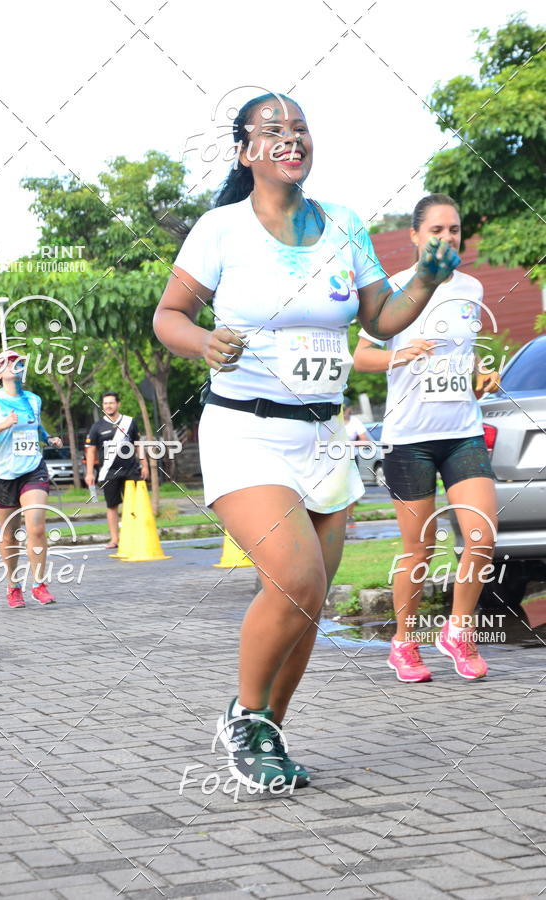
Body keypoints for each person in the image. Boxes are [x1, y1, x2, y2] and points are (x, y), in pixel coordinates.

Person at [153, 93, 460, 791]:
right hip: (245, 428)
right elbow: (169, 315)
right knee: (296, 579)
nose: (291, 138)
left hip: (323, 438)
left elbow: (382, 320)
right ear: (245, 151)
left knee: (310, 604)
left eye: (299, 128)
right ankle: (244, 714)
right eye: (273, 131)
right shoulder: (221, 228)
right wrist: (204, 340)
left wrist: (428, 280)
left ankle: (269, 733)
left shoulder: (344, 225)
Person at [353, 193, 498, 684]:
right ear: (415, 236)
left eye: (453, 230)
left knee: (480, 536)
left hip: (462, 431)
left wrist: (481, 373)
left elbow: (467, 351)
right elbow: (362, 357)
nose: (447, 237)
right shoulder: (392, 289)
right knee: (420, 549)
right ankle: (404, 642)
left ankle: (459, 631)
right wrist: (403, 352)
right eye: (436, 230)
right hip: (408, 437)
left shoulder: (471, 288)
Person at [0, 351, 62, 608]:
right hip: (2, 474)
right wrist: (3, 425)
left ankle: (39, 584)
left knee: (36, 526)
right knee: (9, 535)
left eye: (19, 362)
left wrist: (48, 439)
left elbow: (37, 426)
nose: (15, 366)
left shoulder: (34, 399)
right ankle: (13, 586)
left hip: (33, 469)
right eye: (8, 363)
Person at [84, 393, 148, 549]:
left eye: (111, 403)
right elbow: (91, 451)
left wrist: (144, 464)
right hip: (108, 472)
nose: (108, 406)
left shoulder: (129, 422)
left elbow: (138, 444)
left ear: (118, 404)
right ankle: (115, 539)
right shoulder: (97, 426)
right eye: (105, 403)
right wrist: (90, 472)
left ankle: (136, 537)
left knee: (134, 504)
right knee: (112, 506)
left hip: (131, 470)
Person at [342, 397, 369, 527]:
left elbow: (365, 441)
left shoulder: (355, 422)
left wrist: (349, 443)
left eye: (344, 409)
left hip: (351, 459)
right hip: (333, 460)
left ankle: (349, 516)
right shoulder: (332, 421)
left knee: (350, 489)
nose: (342, 412)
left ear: (349, 409)